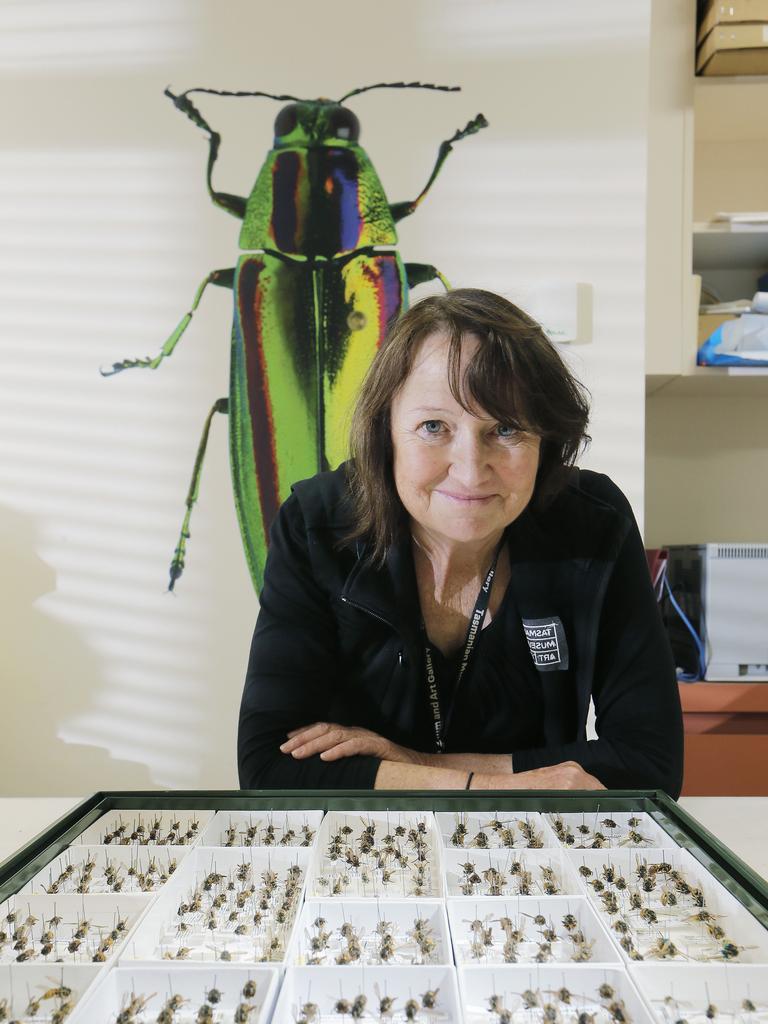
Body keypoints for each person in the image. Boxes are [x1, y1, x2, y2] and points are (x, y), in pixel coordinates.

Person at [237, 289, 684, 795]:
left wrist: (412, 764)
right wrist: (498, 783)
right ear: (386, 432)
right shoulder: (320, 525)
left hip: (528, 848)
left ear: (548, 441)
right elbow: (269, 767)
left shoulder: (593, 523)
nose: (471, 470)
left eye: (507, 428)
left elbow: (651, 765)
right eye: (434, 427)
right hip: (359, 845)